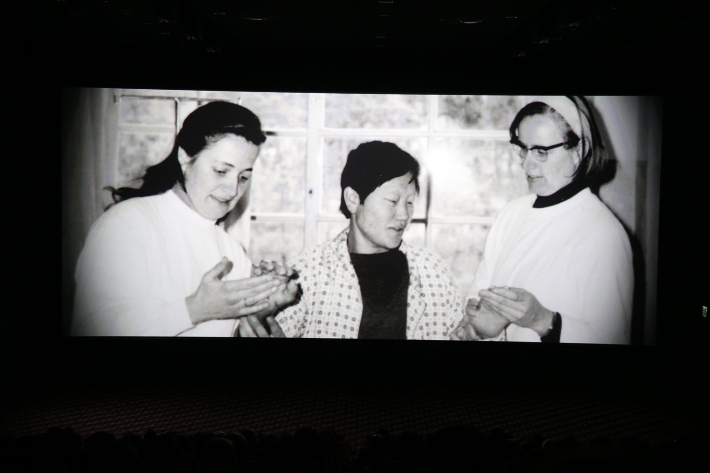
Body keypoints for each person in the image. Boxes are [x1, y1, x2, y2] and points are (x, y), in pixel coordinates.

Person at [71, 101, 299, 337]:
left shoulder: (233, 252)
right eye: (221, 171)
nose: (232, 190)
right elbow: (91, 328)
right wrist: (194, 309)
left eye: (243, 177)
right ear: (185, 157)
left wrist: (262, 305)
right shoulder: (126, 224)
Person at [451, 96, 633, 344]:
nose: (527, 164)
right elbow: (480, 295)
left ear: (578, 151)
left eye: (540, 151)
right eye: (523, 148)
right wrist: (477, 328)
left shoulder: (603, 233)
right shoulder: (511, 214)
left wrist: (543, 320)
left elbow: (613, 338)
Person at [244, 141, 463, 339]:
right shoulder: (310, 271)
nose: (404, 216)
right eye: (392, 201)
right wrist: (263, 311)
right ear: (353, 199)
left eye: (409, 203)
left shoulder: (432, 271)